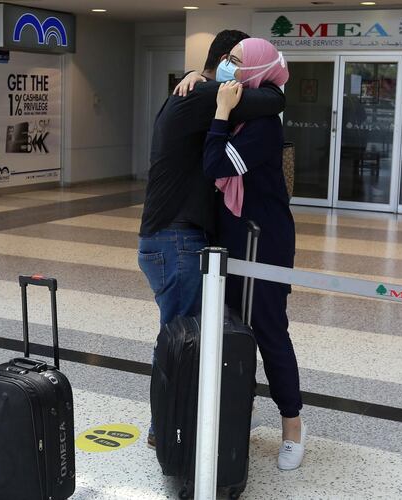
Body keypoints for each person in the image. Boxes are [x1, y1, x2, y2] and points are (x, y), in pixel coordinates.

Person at [139, 30, 285, 448]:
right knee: (180, 339)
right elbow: (274, 99)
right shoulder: (205, 94)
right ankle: (164, 429)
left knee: (179, 336)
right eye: (238, 61)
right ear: (225, 60)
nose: (240, 72)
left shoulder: (194, 90)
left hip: (169, 237)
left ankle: (171, 424)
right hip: (176, 240)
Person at [201, 38, 306, 471]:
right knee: (231, 330)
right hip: (234, 238)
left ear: (257, 72)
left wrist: (221, 114)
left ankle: (293, 428)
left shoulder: (263, 126)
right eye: (227, 59)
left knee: (269, 331)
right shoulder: (248, 119)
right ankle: (242, 409)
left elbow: (214, 165)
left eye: (237, 62)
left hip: (264, 241)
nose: (228, 67)